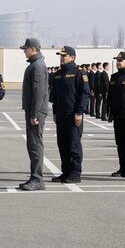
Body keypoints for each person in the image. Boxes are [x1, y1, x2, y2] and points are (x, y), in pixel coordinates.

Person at [50, 46, 90, 184]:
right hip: (61, 115)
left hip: (74, 115)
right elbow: (55, 96)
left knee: (74, 145)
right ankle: (65, 171)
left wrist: (80, 112)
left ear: (72, 57)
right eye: (61, 56)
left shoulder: (79, 73)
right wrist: (55, 112)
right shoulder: (58, 74)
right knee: (62, 145)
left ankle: (75, 173)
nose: (62, 58)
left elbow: (85, 94)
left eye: (64, 56)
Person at [19, 38, 48, 191]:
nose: (24, 51)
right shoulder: (35, 64)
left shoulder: (37, 66)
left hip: (36, 112)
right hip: (33, 111)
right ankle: (34, 177)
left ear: (33, 49)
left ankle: (37, 179)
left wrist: (34, 114)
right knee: (32, 145)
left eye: (26, 48)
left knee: (35, 145)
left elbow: (38, 92)